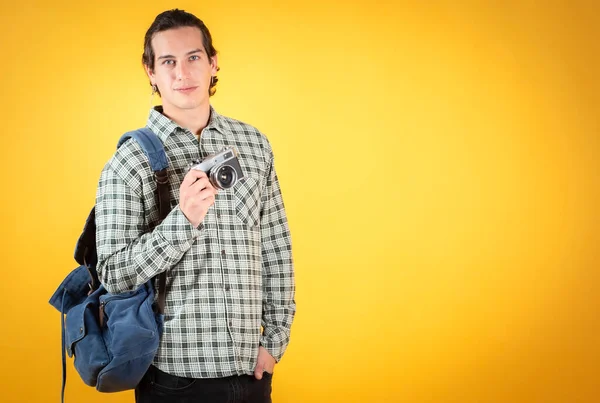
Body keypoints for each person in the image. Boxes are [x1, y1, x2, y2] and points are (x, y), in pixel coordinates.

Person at [94, 9, 295, 403]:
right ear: (150, 71)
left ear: (213, 62)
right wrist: (182, 220)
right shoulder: (129, 161)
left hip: (251, 373)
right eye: (167, 61)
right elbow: (112, 273)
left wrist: (275, 341)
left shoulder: (254, 145)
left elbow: (276, 249)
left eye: (193, 57)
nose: (182, 73)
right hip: (173, 378)